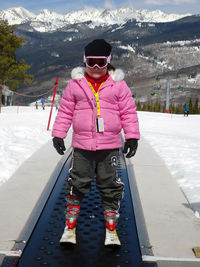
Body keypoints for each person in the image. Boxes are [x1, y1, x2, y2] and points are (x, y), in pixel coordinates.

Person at [52, 39, 140, 245]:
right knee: (77, 183)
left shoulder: (118, 85)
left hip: (109, 147)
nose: (96, 68)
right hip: (82, 147)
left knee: (109, 185)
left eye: (101, 62)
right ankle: (70, 225)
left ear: (109, 61)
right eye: (91, 62)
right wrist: (58, 133)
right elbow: (65, 111)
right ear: (85, 61)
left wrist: (132, 136)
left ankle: (111, 227)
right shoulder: (76, 85)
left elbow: (128, 112)